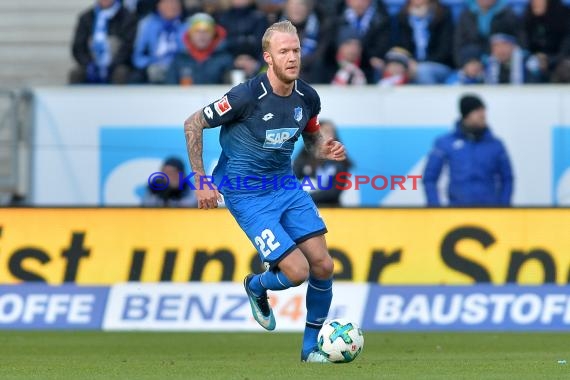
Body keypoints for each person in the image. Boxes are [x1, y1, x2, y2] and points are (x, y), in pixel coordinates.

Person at [183, 20, 346, 363]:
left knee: (323, 265)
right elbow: (193, 122)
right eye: (284, 51)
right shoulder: (245, 96)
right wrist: (201, 181)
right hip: (246, 194)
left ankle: (309, 351)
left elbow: (311, 136)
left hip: (285, 186)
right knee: (297, 272)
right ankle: (257, 286)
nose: (292, 58)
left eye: (296, 50)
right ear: (268, 57)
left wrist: (323, 149)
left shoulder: (307, 96)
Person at [423, 94, 513, 206]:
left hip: (489, 212)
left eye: (483, 111)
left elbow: (507, 178)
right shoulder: (445, 143)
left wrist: (504, 207)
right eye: (477, 111)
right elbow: (429, 178)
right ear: (466, 115)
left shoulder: (496, 145)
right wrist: (434, 206)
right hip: (457, 210)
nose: (483, 115)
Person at [70, 0, 137, 84]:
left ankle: (119, 97)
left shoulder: (127, 17)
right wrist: (88, 64)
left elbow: (128, 46)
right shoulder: (86, 17)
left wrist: (112, 65)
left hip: (116, 64)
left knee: (121, 73)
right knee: (76, 74)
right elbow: (78, 47)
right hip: (91, 63)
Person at [293, 120, 352, 206]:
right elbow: (291, 180)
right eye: (325, 131)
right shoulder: (303, 158)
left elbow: (334, 193)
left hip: (331, 209)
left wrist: (305, 197)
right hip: (305, 208)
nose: (330, 135)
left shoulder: (339, 160)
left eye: (332, 132)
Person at [165, 13, 233, 85]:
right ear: (190, 34)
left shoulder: (224, 59)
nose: (202, 35)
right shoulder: (179, 60)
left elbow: (231, 90)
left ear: (213, 34)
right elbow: (169, 88)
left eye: (207, 31)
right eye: (197, 31)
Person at [130, 0, 187, 84]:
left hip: (179, 68)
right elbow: (138, 55)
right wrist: (150, 65)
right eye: (167, 3)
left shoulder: (187, 25)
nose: (171, 6)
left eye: (175, 3)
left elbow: (189, 54)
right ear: (158, 6)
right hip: (152, 67)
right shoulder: (147, 24)